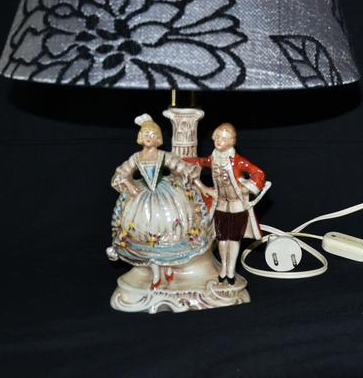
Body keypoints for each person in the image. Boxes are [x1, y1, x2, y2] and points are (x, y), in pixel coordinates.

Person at [109, 115, 212, 290]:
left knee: (171, 226)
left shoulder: (163, 155)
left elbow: (183, 169)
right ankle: (156, 271)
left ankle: (169, 265)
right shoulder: (136, 157)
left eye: (152, 135)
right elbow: (121, 174)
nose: (149, 138)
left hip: (166, 195)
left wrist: (202, 187)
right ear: (140, 137)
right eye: (146, 134)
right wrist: (129, 184)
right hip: (142, 197)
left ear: (158, 138)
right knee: (146, 228)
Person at [186, 123, 268, 285]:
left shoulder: (238, 161)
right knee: (222, 239)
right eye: (217, 137)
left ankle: (231, 269)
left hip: (237, 205)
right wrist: (183, 160)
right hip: (221, 204)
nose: (219, 141)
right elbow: (200, 161)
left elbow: (259, 174)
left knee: (234, 239)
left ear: (232, 142)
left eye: (223, 139)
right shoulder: (213, 159)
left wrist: (247, 188)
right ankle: (223, 267)